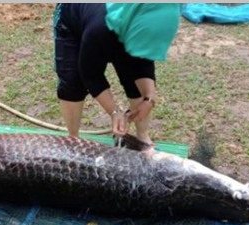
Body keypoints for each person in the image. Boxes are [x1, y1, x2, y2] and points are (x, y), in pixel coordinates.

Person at [53, 3, 181, 143]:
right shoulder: (98, 30)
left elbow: (144, 63)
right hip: (73, 18)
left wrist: (149, 99)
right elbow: (90, 74)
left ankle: (142, 137)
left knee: (134, 80)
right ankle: (73, 140)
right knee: (73, 82)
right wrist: (114, 112)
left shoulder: (149, 19)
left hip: (119, 27)